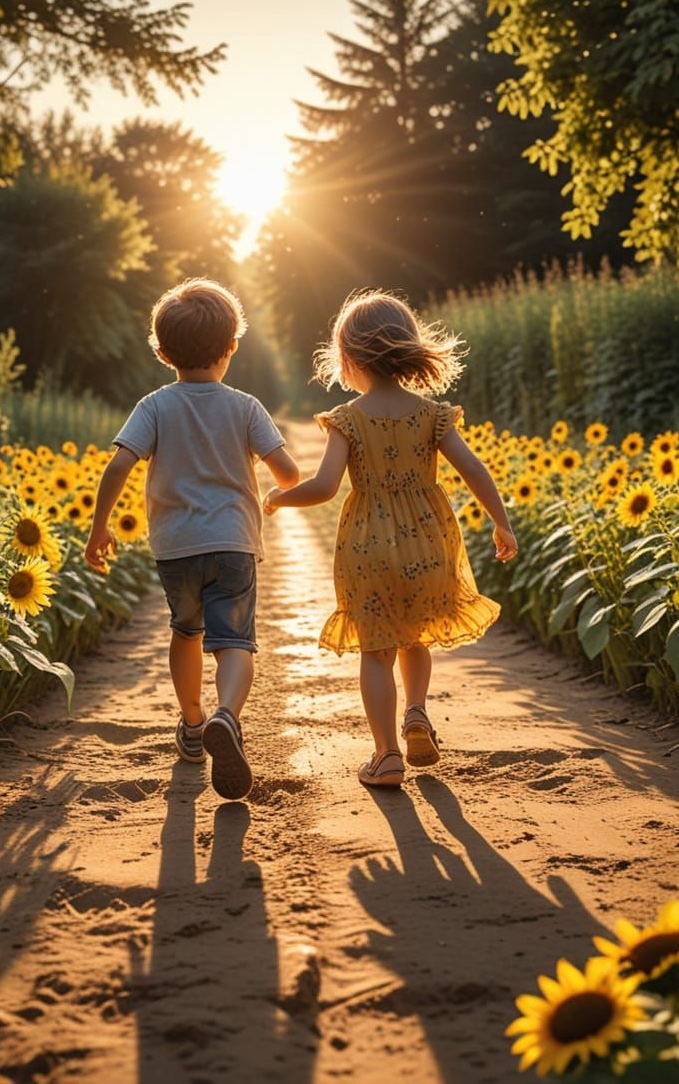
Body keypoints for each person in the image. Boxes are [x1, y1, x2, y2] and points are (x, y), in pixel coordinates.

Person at [263, 290, 517, 788]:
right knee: (415, 634)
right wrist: (501, 521)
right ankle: (417, 712)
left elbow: (325, 487)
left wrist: (276, 497)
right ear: (407, 350)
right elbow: (473, 469)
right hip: (428, 539)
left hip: (368, 545)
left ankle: (386, 755)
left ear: (349, 358)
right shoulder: (433, 415)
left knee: (376, 649)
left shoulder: (347, 419)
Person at [85, 278, 299, 800]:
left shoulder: (154, 406)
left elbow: (118, 466)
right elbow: (289, 473)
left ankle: (194, 723)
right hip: (233, 543)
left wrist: (100, 526)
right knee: (235, 642)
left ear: (161, 353)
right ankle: (228, 714)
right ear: (231, 348)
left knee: (186, 632)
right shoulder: (246, 407)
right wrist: (272, 491)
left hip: (176, 545)